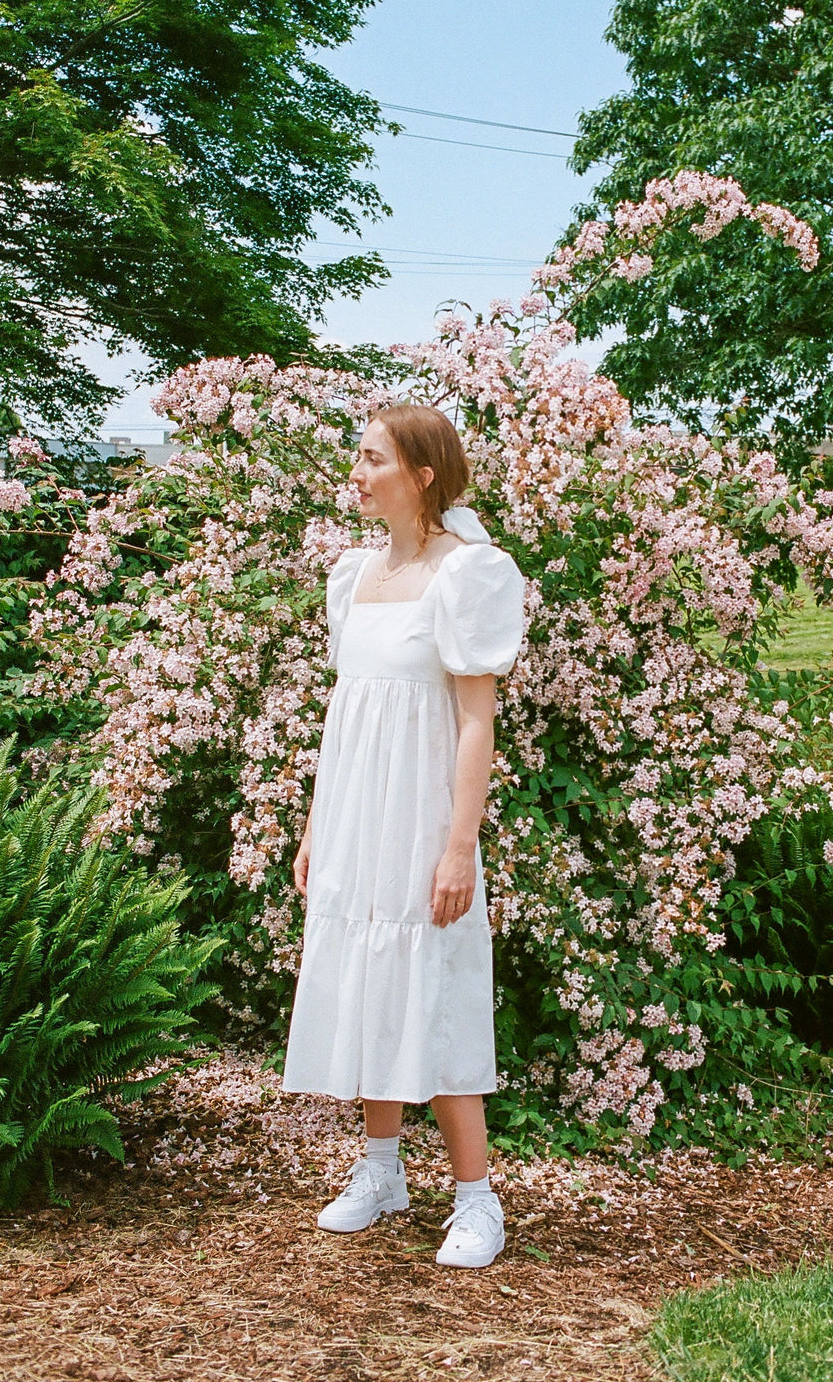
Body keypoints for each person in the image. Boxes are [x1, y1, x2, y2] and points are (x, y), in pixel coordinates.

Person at [281, 403, 525, 1269]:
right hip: (357, 818)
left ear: (422, 475)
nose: (358, 470)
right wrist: (317, 827)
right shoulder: (355, 574)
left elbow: (473, 722)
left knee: (439, 988)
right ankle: (381, 1171)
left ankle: (476, 1200)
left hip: (424, 819)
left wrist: (460, 845)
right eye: (359, 454)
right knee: (365, 982)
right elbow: (344, 721)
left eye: (373, 457)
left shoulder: (467, 574)